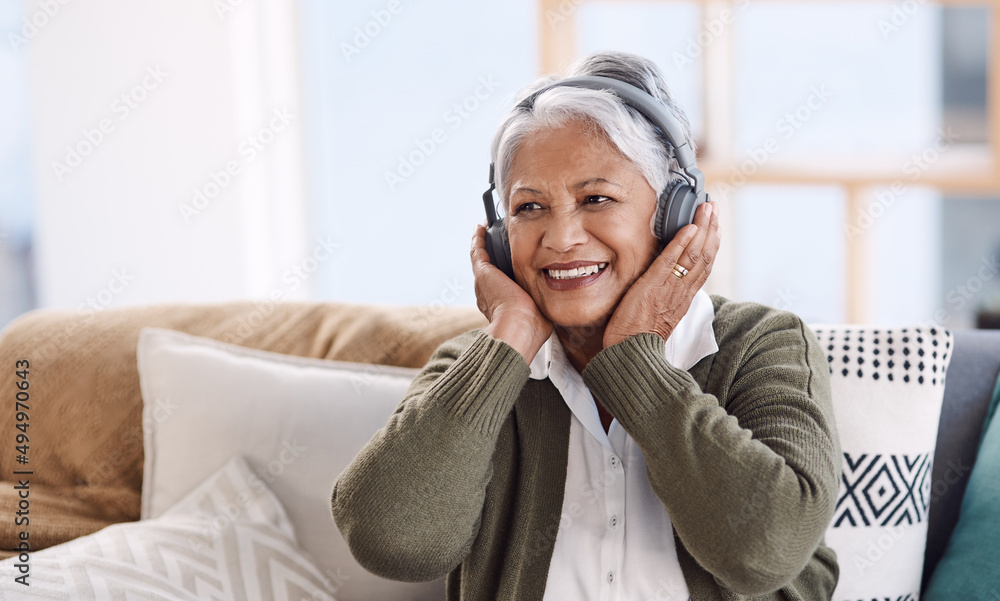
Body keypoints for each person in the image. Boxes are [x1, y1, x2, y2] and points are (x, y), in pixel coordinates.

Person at [331, 50, 842, 601]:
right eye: (529, 208)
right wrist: (508, 339)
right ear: (501, 238)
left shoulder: (761, 345)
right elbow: (392, 544)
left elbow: (765, 551)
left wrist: (635, 361)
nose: (561, 238)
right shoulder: (474, 367)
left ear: (675, 214)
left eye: (596, 198)